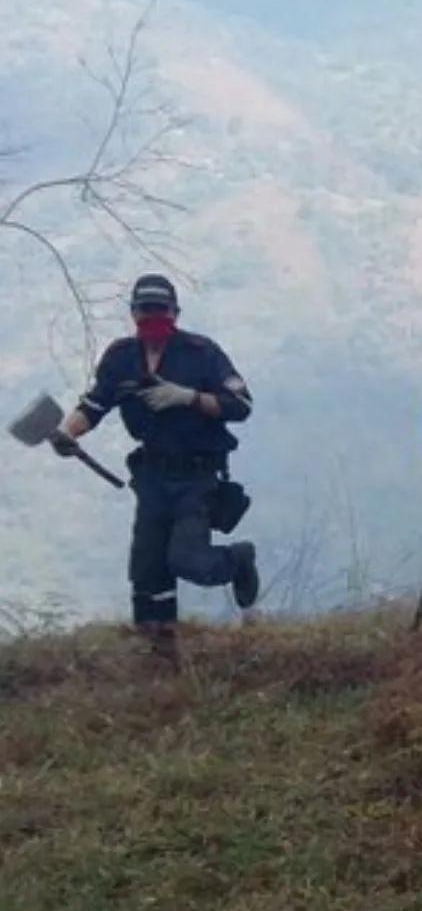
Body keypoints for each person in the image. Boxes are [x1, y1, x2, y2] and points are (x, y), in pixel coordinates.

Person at [50, 273, 262, 660]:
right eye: (144, 310)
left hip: (197, 475)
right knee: (148, 567)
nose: (152, 317)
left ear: (175, 312)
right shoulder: (121, 358)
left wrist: (191, 398)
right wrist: (67, 433)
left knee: (187, 560)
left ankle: (237, 560)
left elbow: (241, 406)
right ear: (133, 312)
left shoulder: (202, 354)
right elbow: (94, 405)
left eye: (159, 309)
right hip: (150, 475)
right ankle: (159, 650)